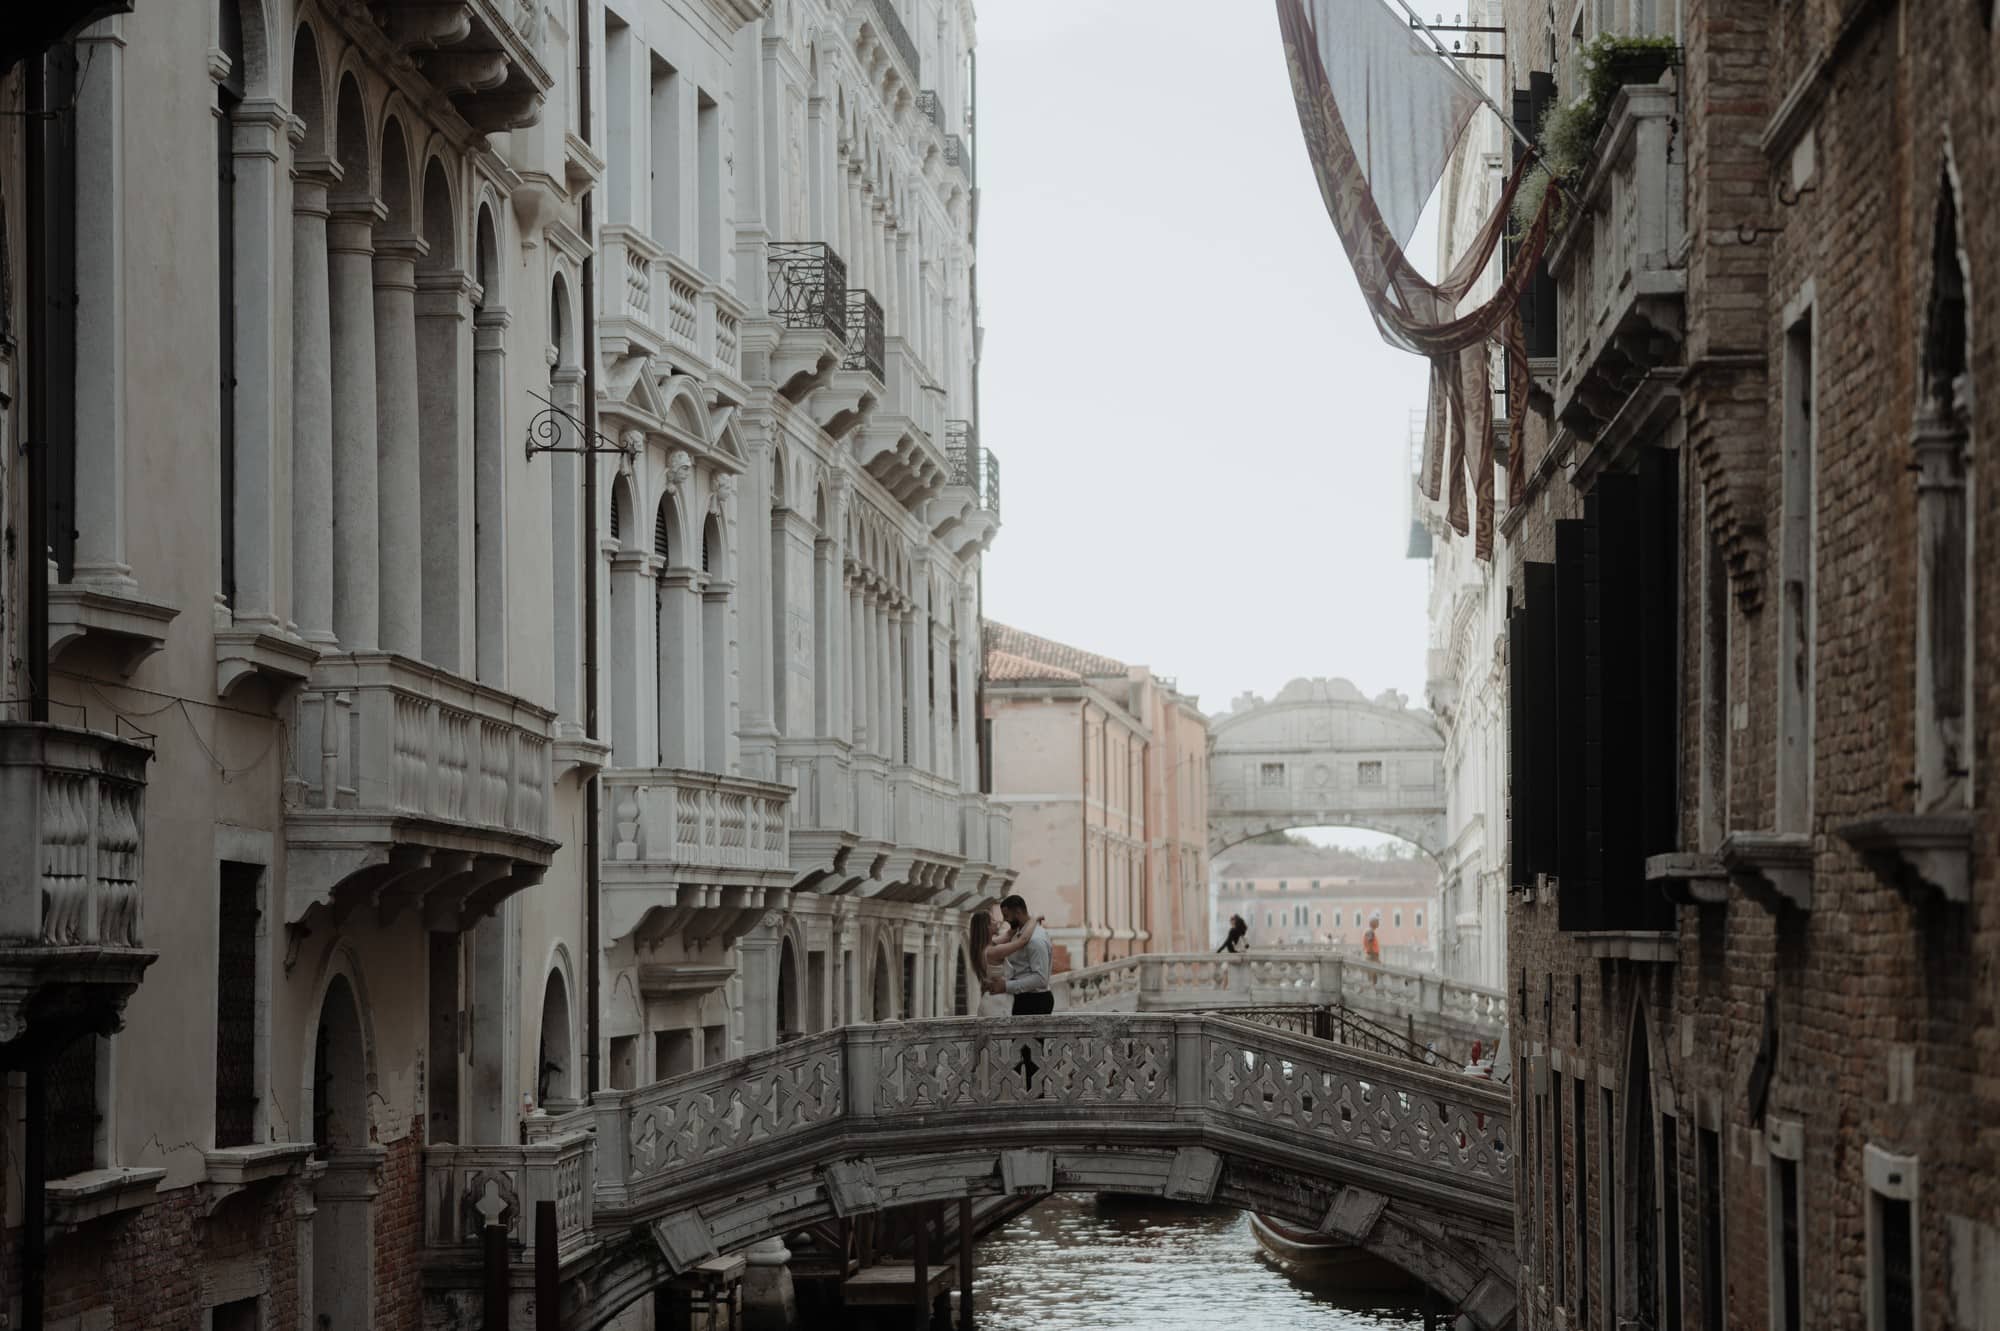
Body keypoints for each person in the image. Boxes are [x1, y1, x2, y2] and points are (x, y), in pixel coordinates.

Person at [984, 894, 1053, 1014]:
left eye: (1006, 915)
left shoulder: (1036, 939)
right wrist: (1035, 918)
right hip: (1022, 998)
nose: (1004, 920)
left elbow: (1041, 979)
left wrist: (1006, 986)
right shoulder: (1017, 934)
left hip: (1034, 1001)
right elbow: (1019, 939)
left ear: (1018, 912)